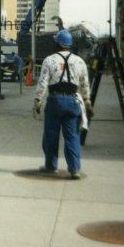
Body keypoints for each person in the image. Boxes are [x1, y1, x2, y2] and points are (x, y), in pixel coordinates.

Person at [32, 29, 91, 179]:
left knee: (51, 135)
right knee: (72, 136)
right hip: (73, 101)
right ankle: (74, 169)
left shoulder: (49, 60)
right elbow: (84, 84)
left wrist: (37, 100)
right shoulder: (79, 61)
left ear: (57, 44)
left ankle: (51, 166)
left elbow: (43, 82)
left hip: (55, 101)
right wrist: (87, 101)